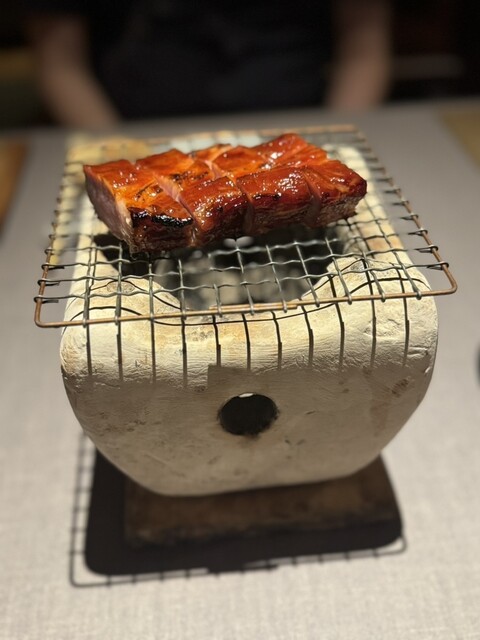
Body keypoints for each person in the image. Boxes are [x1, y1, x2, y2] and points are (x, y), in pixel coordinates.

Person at [24, 0, 391, 129]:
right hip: (134, 127)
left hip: (304, 124)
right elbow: (59, 64)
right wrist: (117, 157)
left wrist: (333, 148)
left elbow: (364, 45)